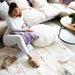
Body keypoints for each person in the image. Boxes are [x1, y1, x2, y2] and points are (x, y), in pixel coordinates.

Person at [1, 2, 39, 69]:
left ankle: (12, 59)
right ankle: (31, 58)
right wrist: (26, 30)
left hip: (16, 38)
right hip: (8, 38)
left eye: (18, 10)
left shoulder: (20, 16)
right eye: (15, 11)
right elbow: (14, 29)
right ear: (11, 11)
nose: (17, 12)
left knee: (30, 47)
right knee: (19, 37)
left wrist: (23, 25)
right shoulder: (9, 18)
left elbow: (22, 23)